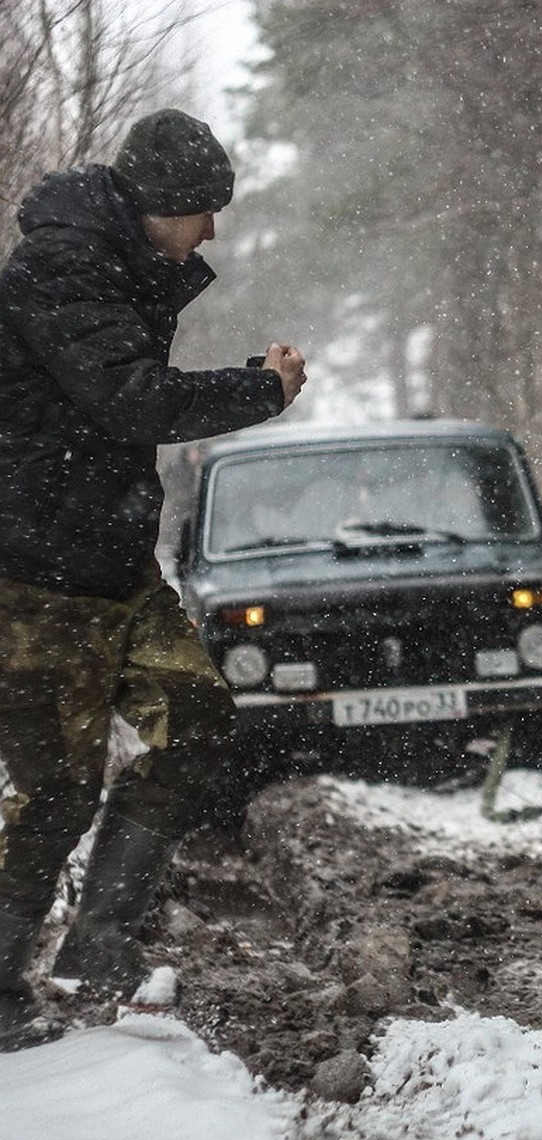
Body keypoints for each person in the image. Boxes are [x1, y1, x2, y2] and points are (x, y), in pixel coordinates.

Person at [0, 108, 307, 1049]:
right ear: (156, 206)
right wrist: (264, 389)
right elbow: (129, 398)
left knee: (201, 718)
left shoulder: (125, 267)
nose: (211, 231)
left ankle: (99, 941)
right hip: (35, 583)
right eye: (202, 213)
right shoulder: (61, 273)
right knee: (56, 793)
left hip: (118, 570)